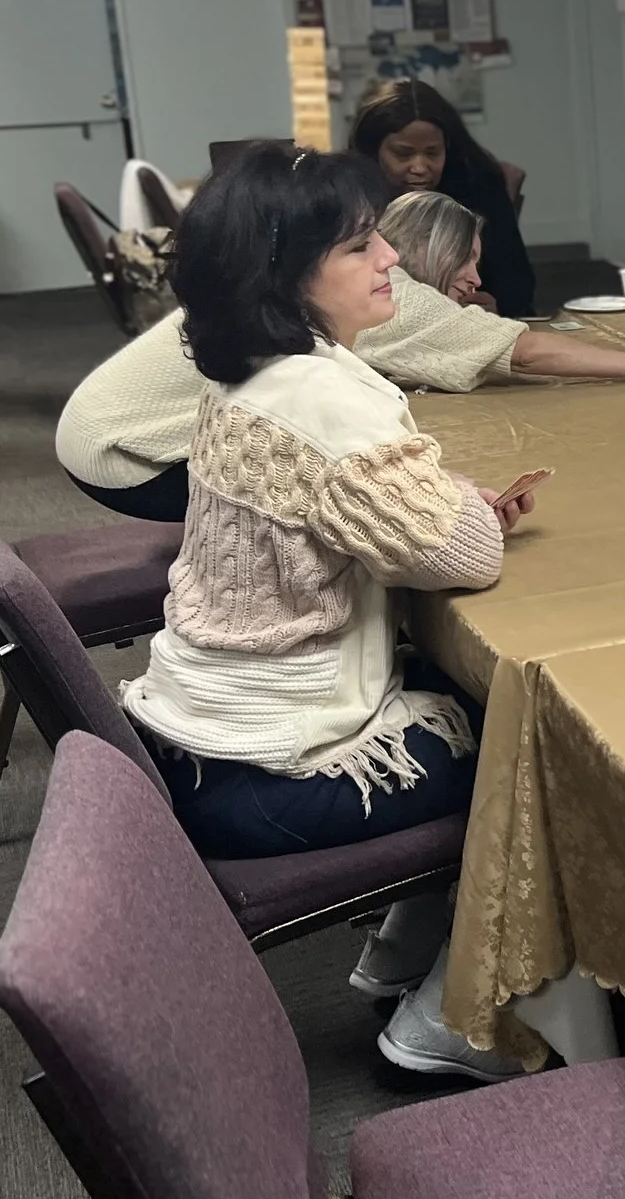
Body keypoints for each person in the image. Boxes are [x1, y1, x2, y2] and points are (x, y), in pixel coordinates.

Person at [118, 144, 522, 1081]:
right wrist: (456, 501)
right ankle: (455, 1017)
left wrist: (428, 495)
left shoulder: (257, 374)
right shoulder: (330, 400)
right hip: (270, 775)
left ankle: (403, 948)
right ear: (285, 275)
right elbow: (468, 553)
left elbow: (368, 515)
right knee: (538, 757)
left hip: (193, 743)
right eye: (358, 247)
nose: (389, 260)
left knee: (445, 682)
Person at [57, 193, 625, 522]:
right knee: (355, 503)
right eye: (468, 259)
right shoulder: (403, 300)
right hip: (128, 458)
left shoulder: (301, 273)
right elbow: (522, 346)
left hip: (97, 426)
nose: (475, 276)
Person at [349, 77, 538, 318]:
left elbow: (515, 281)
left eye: (432, 152)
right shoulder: (351, 196)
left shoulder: (478, 183)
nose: (419, 166)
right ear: (371, 151)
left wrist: (494, 306)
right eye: (403, 153)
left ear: (447, 147)